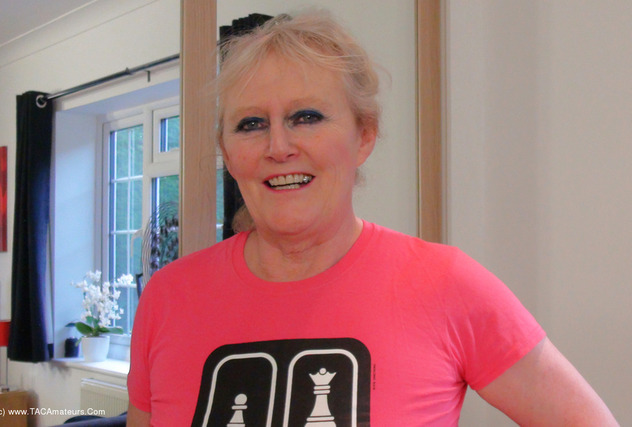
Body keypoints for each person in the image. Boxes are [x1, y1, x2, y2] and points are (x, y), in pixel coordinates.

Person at [127, 11, 617, 426]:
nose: (279, 146)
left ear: (364, 136)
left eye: (307, 117)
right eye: (251, 124)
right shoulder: (168, 299)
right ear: (228, 154)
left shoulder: (446, 285)